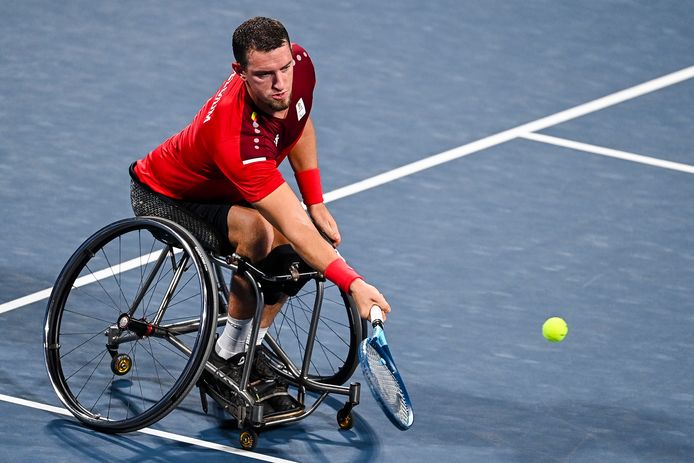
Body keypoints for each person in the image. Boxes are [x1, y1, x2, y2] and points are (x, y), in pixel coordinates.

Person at [130, 17, 391, 417]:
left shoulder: (299, 66)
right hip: (168, 195)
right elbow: (294, 224)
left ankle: (244, 348)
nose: (280, 84)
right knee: (262, 234)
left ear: (291, 55)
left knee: (296, 255)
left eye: (284, 68)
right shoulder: (236, 135)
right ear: (240, 72)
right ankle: (225, 353)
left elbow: (297, 122)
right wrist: (354, 284)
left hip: (231, 190)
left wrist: (316, 200)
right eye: (264, 75)